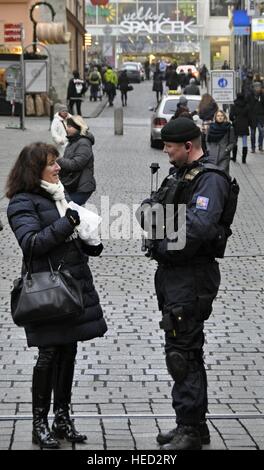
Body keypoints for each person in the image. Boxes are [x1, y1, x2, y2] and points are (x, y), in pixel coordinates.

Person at [137, 118, 236, 450]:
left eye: (170, 147)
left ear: (189, 147)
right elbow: (147, 211)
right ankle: (194, 424)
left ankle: (190, 430)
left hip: (191, 275)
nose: (165, 151)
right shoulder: (177, 175)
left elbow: (197, 228)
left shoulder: (210, 180)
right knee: (185, 349)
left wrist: (162, 242)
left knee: (181, 352)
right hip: (173, 275)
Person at [6, 142, 107, 449]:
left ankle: (62, 419)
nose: (58, 167)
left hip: (72, 289)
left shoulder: (61, 196)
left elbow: (69, 236)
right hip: (48, 292)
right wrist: (68, 223)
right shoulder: (22, 202)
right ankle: (39, 424)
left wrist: (89, 240)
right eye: (52, 163)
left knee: (68, 353)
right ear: (35, 169)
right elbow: (32, 244)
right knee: (48, 355)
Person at [58, 115, 96, 205]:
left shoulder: (84, 143)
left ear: (78, 127)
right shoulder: (73, 141)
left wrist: (58, 160)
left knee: (66, 207)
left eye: (70, 127)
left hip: (81, 187)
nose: (67, 129)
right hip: (73, 184)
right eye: (67, 126)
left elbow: (77, 164)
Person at [229, 93, 250, 163]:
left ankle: (234, 158)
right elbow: (249, 116)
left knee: (235, 142)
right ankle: (244, 160)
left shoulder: (234, 106)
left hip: (236, 125)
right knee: (245, 143)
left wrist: (233, 120)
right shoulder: (247, 106)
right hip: (244, 125)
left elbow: (231, 116)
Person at [247, 81, 264, 153]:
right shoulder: (250, 96)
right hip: (252, 117)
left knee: (262, 131)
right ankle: (253, 147)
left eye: (259, 87)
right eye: (256, 87)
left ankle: (260, 146)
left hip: (261, 117)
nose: (257, 88)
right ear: (253, 88)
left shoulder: (262, 95)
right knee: (253, 133)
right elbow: (247, 106)